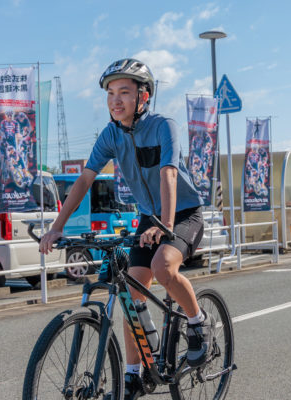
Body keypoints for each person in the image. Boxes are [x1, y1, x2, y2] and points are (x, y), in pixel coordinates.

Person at [39, 58, 214, 400]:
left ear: (143, 97)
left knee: (163, 267)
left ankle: (197, 321)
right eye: (110, 93)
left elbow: (168, 174)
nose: (115, 100)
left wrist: (165, 224)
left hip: (182, 213)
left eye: (124, 92)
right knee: (132, 294)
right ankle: (133, 376)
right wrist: (56, 227)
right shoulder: (110, 135)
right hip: (149, 217)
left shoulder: (164, 126)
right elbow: (84, 180)